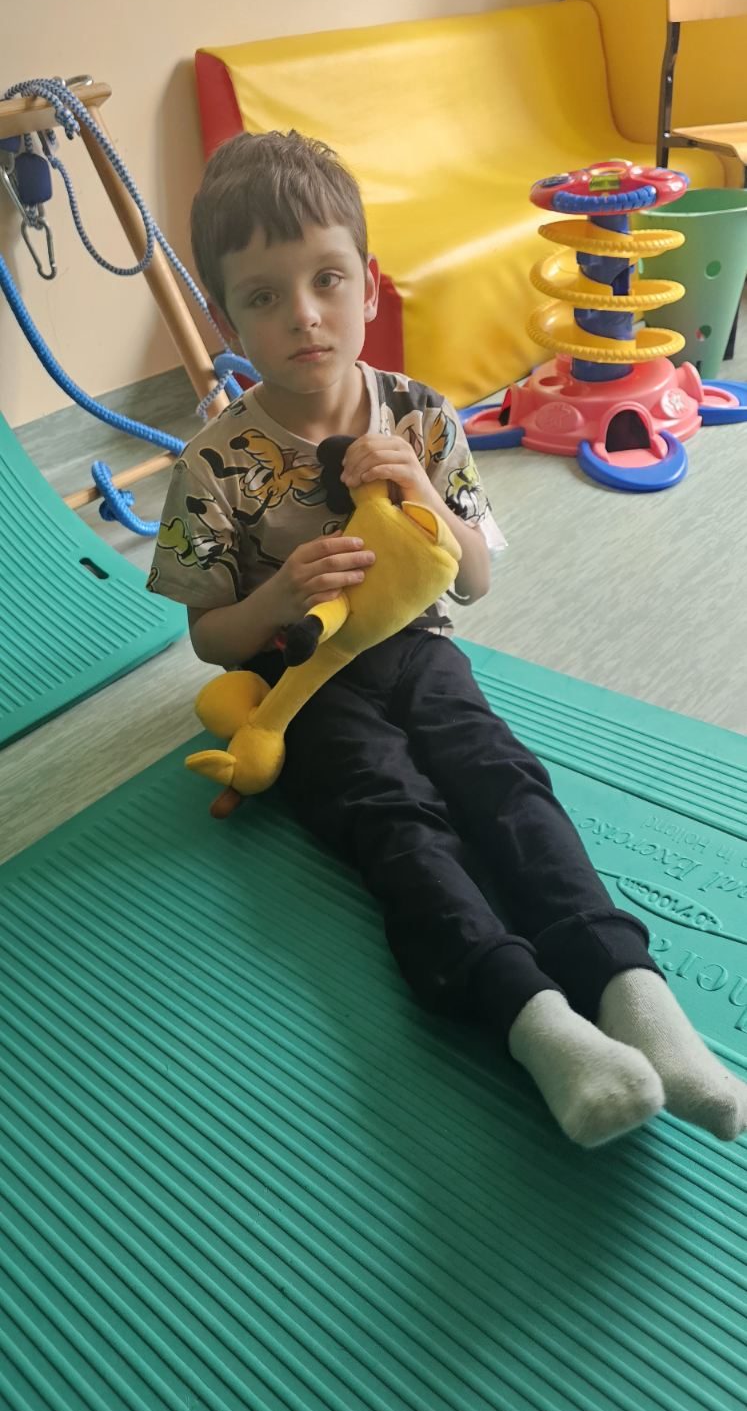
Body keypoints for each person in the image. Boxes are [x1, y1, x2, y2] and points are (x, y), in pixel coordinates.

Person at [148, 129, 746, 1148]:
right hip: (302, 682)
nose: (304, 315)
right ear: (224, 318)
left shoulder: (422, 415)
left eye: (327, 280)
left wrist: (424, 493)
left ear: (369, 283)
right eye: (264, 296)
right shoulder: (213, 463)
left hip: (420, 647)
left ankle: (634, 996)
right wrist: (279, 596)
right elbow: (209, 638)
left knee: (502, 780)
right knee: (397, 819)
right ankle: (538, 1024)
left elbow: (472, 578)